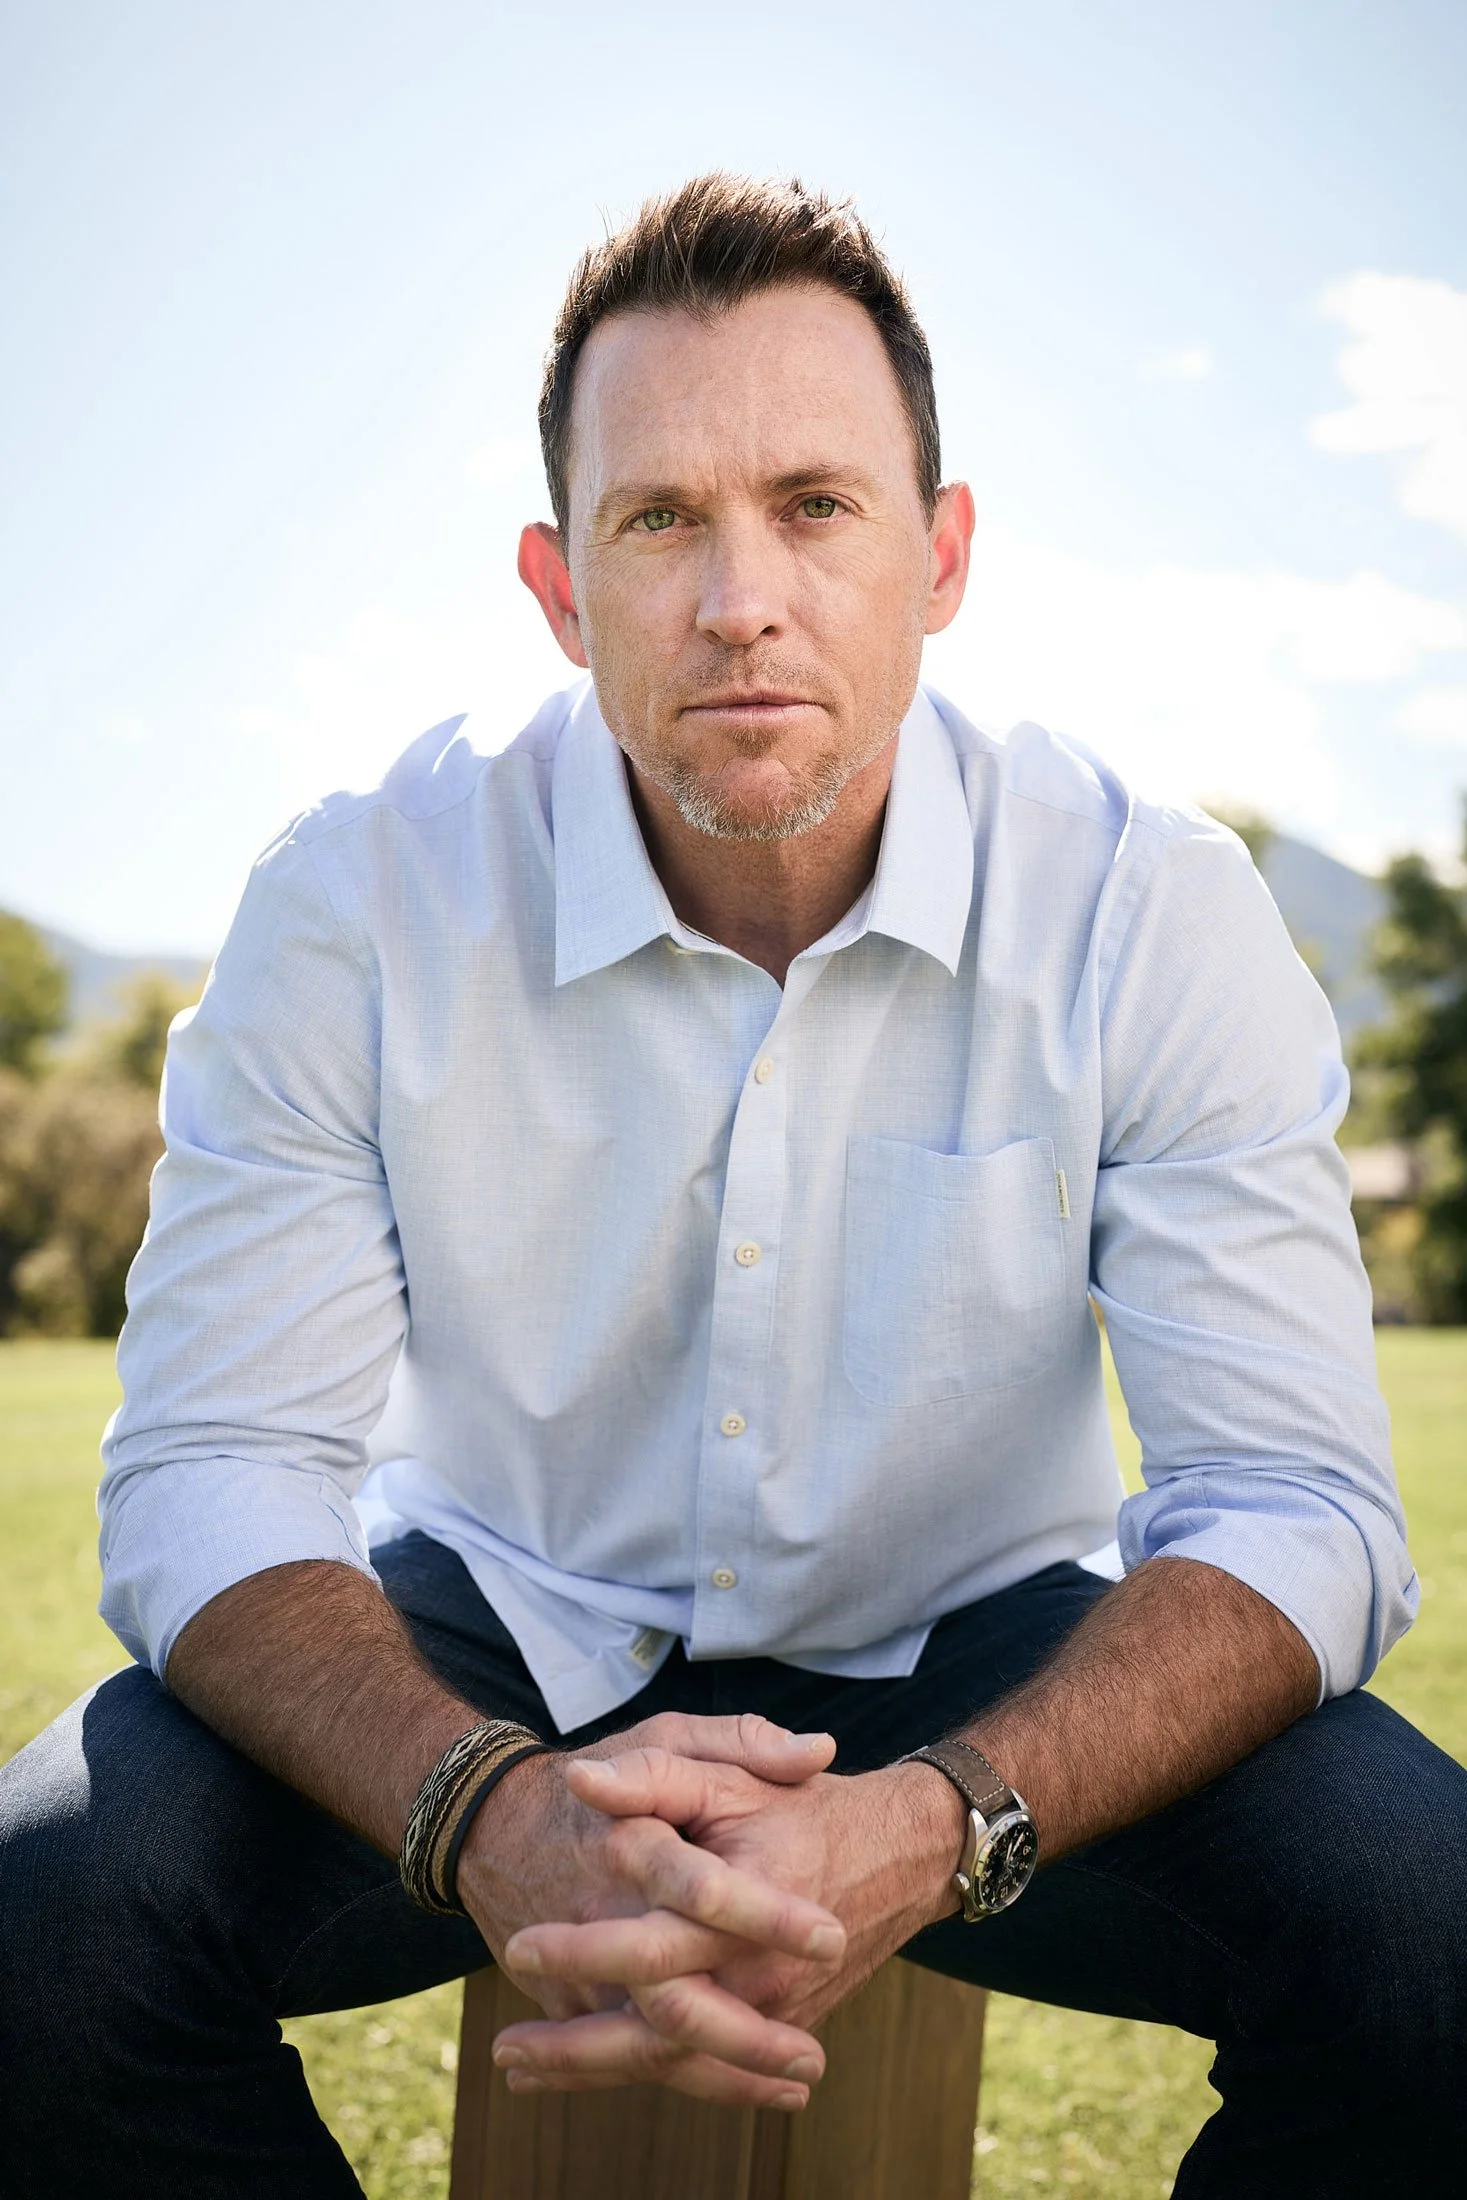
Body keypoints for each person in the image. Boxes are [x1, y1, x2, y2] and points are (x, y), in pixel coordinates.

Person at [1, 173, 1462, 2199]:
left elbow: (1296, 1498)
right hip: (498, 1613)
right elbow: (211, 1463)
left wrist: (942, 1817)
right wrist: (478, 1802)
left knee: (1430, 1925)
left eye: (816, 503)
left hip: (975, 1639)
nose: (738, 596)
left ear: (941, 556)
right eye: (659, 518)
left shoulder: (1149, 908)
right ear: (556, 586)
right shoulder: (358, 898)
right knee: (47, 1913)